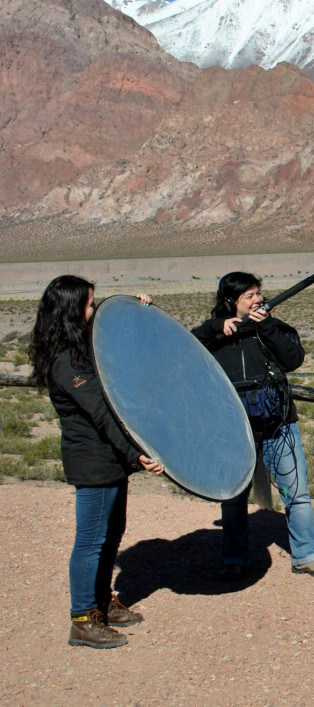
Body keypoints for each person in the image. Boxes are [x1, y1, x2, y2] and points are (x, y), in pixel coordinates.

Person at [28, 275, 165, 649]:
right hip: (94, 461)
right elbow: (105, 413)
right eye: (90, 305)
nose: (94, 311)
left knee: (111, 535)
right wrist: (136, 452)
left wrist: (135, 316)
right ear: (72, 311)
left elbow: (123, 358)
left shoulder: (83, 348)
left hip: (108, 458)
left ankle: (103, 602)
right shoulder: (66, 361)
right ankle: (83, 619)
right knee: (91, 541)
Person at [192, 272, 314, 579]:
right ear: (231, 302)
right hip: (234, 430)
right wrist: (216, 326)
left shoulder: (272, 328)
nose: (257, 299)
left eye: (258, 293)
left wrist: (265, 325)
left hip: (278, 426)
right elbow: (185, 347)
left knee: (297, 492)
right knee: (234, 497)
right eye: (248, 296)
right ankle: (234, 558)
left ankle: (306, 555)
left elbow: (294, 358)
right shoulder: (215, 336)